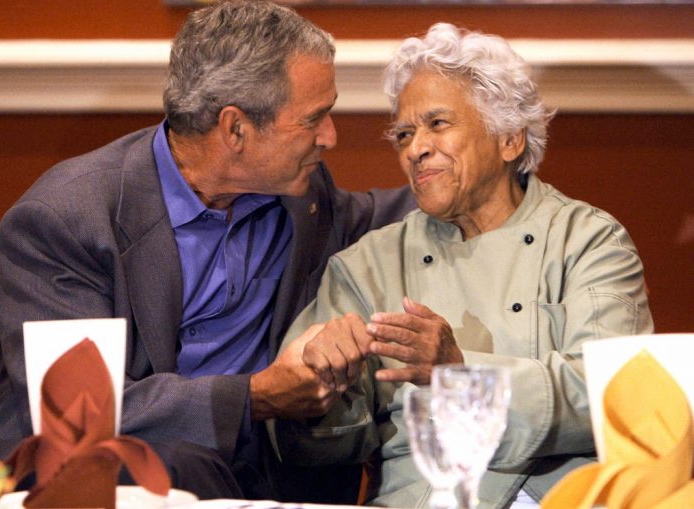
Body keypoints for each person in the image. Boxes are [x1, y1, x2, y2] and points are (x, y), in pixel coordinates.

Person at [0, 0, 414, 502]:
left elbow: (380, 217)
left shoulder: (299, 194)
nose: (331, 136)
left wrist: (477, 176)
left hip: (262, 474)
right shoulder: (63, 221)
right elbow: (80, 414)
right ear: (235, 129)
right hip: (119, 477)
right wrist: (256, 397)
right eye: (313, 119)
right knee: (178, 464)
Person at [269, 23, 654, 509]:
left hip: (559, 497)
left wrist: (460, 371)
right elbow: (315, 448)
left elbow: (615, 398)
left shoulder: (587, 241)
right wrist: (322, 388)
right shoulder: (366, 266)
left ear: (509, 139)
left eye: (437, 123)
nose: (415, 149)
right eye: (404, 134)